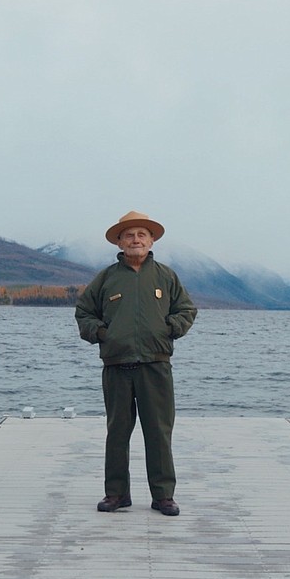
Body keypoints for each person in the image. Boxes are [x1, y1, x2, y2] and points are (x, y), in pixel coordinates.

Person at [75, 210, 197, 517]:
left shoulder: (166, 276)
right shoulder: (105, 278)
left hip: (156, 365)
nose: (135, 239)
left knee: (158, 432)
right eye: (128, 235)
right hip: (116, 365)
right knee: (117, 432)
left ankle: (163, 496)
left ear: (152, 239)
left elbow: (187, 310)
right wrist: (103, 334)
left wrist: (169, 328)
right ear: (118, 241)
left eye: (142, 234)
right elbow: (84, 313)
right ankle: (116, 494)